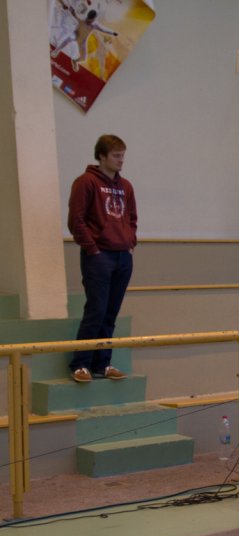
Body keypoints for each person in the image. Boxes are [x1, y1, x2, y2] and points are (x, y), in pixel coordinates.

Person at [67, 134, 137, 383]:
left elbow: (132, 218)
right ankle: (80, 363)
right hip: (98, 257)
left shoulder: (125, 186)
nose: (121, 160)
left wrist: (130, 242)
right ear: (102, 156)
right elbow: (76, 220)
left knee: (111, 313)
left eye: (123, 155)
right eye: (116, 156)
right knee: (96, 310)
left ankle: (102, 363)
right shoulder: (86, 182)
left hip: (122, 256)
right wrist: (93, 249)